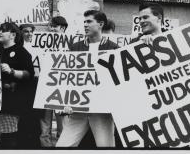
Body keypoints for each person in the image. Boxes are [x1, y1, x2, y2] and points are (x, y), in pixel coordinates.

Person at [56, 10, 118, 147]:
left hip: (101, 111)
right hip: (78, 109)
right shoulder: (74, 48)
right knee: (62, 146)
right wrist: (64, 102)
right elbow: (66, 77)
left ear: (101, 24)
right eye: (84, 22)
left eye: (89, 21)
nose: (85, 24)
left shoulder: (113, 49)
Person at [40, 16, 68, 147]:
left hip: (62, 88)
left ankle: (61, 146)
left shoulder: (70, 44)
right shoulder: (42, 44)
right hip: (46, 86)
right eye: (50, 26)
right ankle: (46, 147)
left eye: (54, 26)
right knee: (45, 123)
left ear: (62, 28)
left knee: (62, 123)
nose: (51, 29)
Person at [18, 23, 41, 148]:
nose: (29, 33)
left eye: (31, 31)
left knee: (33, 116)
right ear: (20, 33)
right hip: (21, 85)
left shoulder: (37, 48)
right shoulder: (17, 47)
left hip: (34, 85)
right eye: (26, 31)